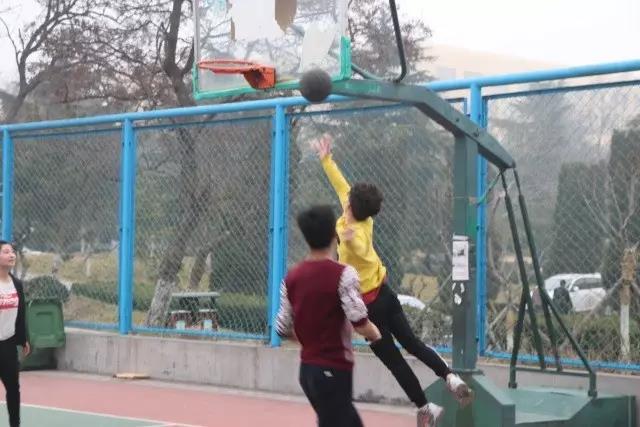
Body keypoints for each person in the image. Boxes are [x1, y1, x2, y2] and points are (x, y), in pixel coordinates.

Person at [313, 134, 473, 427]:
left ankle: (425, 408)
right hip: (385, 294)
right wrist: (326, 159)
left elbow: (361, 248)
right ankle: (450, 377)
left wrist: (346, 238)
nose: (345, 197)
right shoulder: (361, 217)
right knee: (412, 343)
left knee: (395, 361)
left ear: (352, 206)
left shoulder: (356, 233)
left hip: (368, 310)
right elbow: (340, 184)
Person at [275, 205, 382, 427]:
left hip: (308, 371)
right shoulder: (343, 274)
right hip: (333, 370)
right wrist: (375, 334)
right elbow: (359, 321)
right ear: (334, 234)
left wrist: (308, 340)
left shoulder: (291, 277)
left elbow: (281, 327)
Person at [0, 241, 30, 427]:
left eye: (12, 252)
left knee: (13, 388)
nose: (11, 255)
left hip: (8, 344)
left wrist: (23, 338)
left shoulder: (16, 284)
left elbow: (20, 313)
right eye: (6, 252)